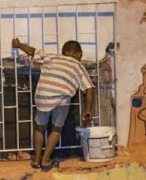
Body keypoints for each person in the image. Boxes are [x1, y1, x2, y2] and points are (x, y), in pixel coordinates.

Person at [11, 38, 94, 171]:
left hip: (44, 96)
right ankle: (46, 160)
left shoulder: (52, 57)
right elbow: (89, 89)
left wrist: (18, 45)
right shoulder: (79, 66)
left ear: (64, 52)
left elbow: (32, 51)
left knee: (39, 128)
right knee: (56, 129)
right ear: (79, 54)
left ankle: (37, 159)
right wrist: (87, 111)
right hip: (62, 100)